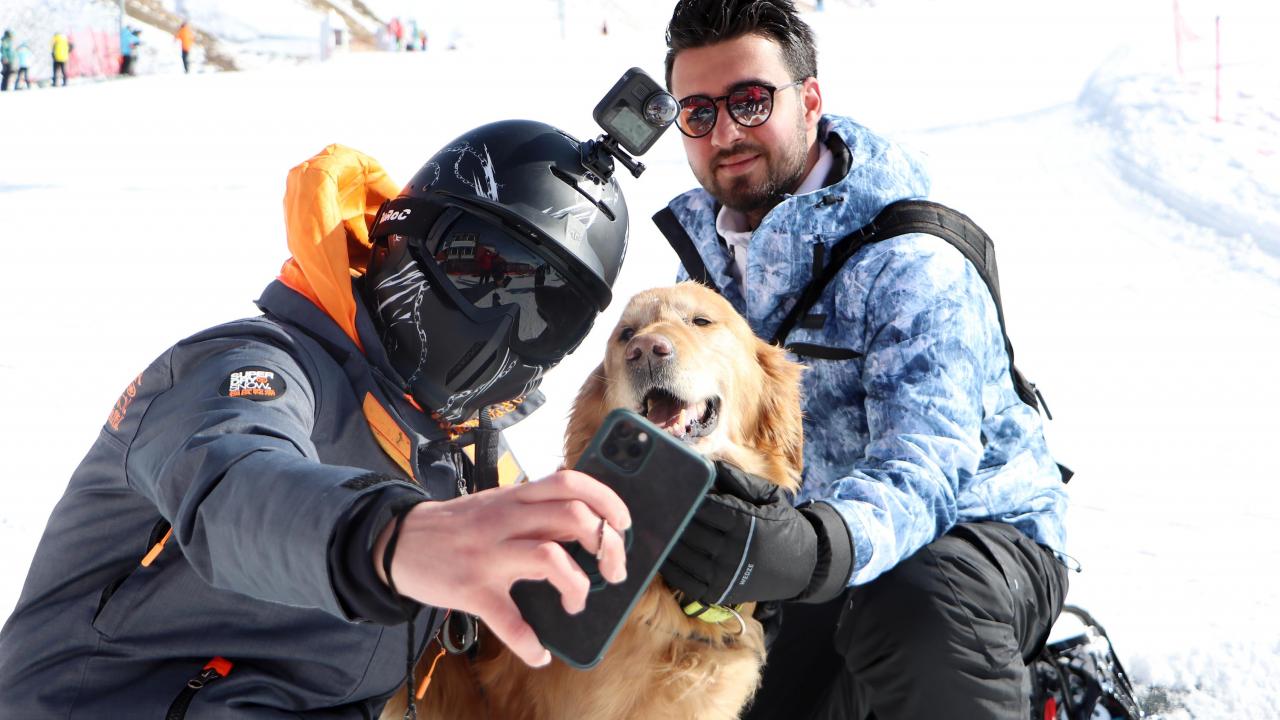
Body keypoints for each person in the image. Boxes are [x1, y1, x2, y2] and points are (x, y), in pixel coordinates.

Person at [0, 120, 635, 717]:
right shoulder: (247, 364)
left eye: (548, 312)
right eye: (478, 268)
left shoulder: (471, 469)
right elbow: (235, 483)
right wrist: (389, 538)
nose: (502, 321)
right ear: (405, 234)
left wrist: (683, 597)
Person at [653, 2, 1070, 718]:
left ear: (809, 100)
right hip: (802, 556)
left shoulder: (910, 259)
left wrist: (811, 546)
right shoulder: (704, 268)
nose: (725, 132)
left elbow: (930, 468)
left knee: (912, 608)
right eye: (697, 111)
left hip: (974, 540)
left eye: (750, 101)